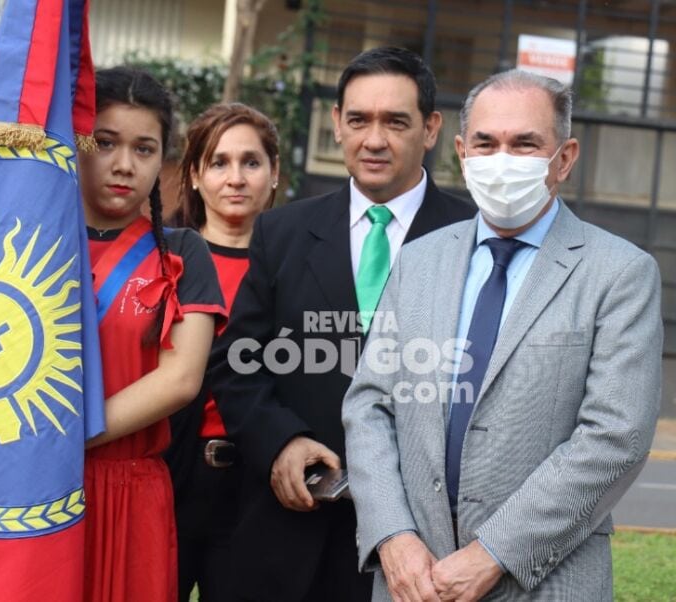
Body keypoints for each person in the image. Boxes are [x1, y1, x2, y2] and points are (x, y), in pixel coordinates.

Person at [342, 69, 662, 602]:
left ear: (564, 157)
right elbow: (370, 406)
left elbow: (616, 437)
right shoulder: (418, 260)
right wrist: (393, 537)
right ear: (463, 152)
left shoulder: (620, 273)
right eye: (487, 144)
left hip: (546, 580)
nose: (502, 159)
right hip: (410, 581)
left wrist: (494, 553)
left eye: (525, 143)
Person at [209, 47, 475, 601]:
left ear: (430, 129)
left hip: (423, 543)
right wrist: (281, 441)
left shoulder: (475, 239)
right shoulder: (281, 233)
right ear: (336, 124)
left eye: (395, 122)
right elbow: (237, 362)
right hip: (292, 529)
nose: (373, 139)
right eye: (358, 120)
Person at [78, 66, 226, 602]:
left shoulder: (183, 253)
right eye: (106, 143)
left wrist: (64, 441)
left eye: (144, 149)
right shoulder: (32, 242)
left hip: (129, 487)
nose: (123, 165)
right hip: (31, 479)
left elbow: (181, 380)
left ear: (161, 163)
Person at [166, 102, 280, 602]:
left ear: (274, 175)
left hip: (257, 487)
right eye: (218, 162)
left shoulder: (296, 262)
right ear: (193, 176)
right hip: (169, 477)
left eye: (251, 162)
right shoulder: (162, 259)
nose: (235, 178)